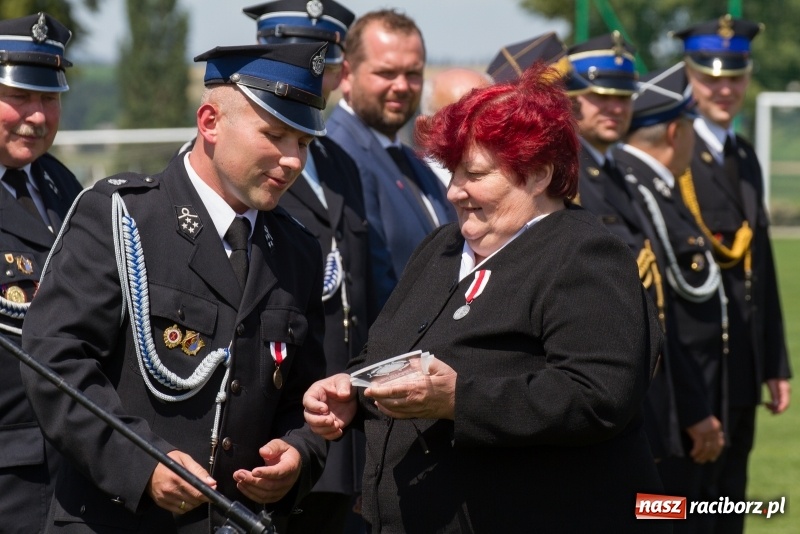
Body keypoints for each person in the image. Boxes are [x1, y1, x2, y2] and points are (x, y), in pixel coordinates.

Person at [303, 62, 667, 533]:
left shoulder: (585, 255)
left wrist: (461, 400)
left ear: (538, 175)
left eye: (473, 174)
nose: (454, 192)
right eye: (451, 174)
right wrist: (352, 391)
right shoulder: (442, 247)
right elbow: (387, 354)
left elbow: (598, 394)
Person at [20, 41, 330, 533]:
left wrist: (297, 453)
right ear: (209, 123)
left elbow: (305, 393)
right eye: (275, 136)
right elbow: (53, 362)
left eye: (305, 144)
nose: (292, 161)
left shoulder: (297, 249)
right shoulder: (122, 217)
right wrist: (142, 466)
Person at [243, 1, 371, 532]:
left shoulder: (341, 161)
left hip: (339, 417)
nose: (311, 75)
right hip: (274, 426)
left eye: (323, 62)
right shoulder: (245, 159)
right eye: (293, 59)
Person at [673, 15, 791, 533]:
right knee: (690, 505)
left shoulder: (743, 155)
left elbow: (758, 266)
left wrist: (775, 361)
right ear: (689, 75)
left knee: (732, 505)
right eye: (710, 77)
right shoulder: (675, 153)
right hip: (698, 366)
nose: (724, 89)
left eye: (735, 77)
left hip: (743, 361)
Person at [615, 63, 727, 532]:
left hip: (683, 401)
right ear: (677, 131)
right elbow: (663, 317)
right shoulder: (638, 191)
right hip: (667, 408)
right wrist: (695, 407)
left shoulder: (648, 190)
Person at [0, 12, 83, 533]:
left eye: (48, 99)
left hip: (69, 466)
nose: (36, 116)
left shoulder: (59, 183)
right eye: (19, 98)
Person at [326, 9, 455, 307]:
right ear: (347, 75)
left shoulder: (412, 159)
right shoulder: (339, 155)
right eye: (386, 73)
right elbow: (371, 286)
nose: (401, 86)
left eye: (413, 74)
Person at [568, 32, 644, 250]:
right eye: (602, 96)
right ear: (571, 99)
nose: (616, 109)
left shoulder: (625, 171)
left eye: (624, 97)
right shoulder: (564, 173)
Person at [419, 68, 492, 186]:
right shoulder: (416, 181)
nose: (475, 126)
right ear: (429, 125)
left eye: (487, 115)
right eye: (457, 119)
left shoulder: (512, 179)